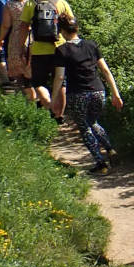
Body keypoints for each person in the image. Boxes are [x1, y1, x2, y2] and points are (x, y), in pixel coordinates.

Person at [50, 18, 122, 175]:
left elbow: (60, 77)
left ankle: (100, 163)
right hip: (98, 91)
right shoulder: (92, 45)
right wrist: (115, 93)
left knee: (84, 127)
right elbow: (105, 70)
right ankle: (110, 150)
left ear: (62, 31)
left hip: (78, 94)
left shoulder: (61, 50)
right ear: (77, 28)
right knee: (93, 122)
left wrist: (53, 99)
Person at [18, 0, 74, 109]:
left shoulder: (31, 4)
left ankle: (48, 102)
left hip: (39, 50)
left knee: (38, 83)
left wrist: (21, 47)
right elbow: (71, 24)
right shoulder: (61, 3)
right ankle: (59, 116)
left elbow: (23, 27)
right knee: (61, 84)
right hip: (60, 48)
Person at [0, 0, 32, 91]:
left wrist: (0, 39)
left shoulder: (9, 5)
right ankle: (34, 94)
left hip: (16, 37)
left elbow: (6, 25)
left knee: (18, 68)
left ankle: (23, 92)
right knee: (30, 65)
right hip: (32, 36)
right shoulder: (32, 2)